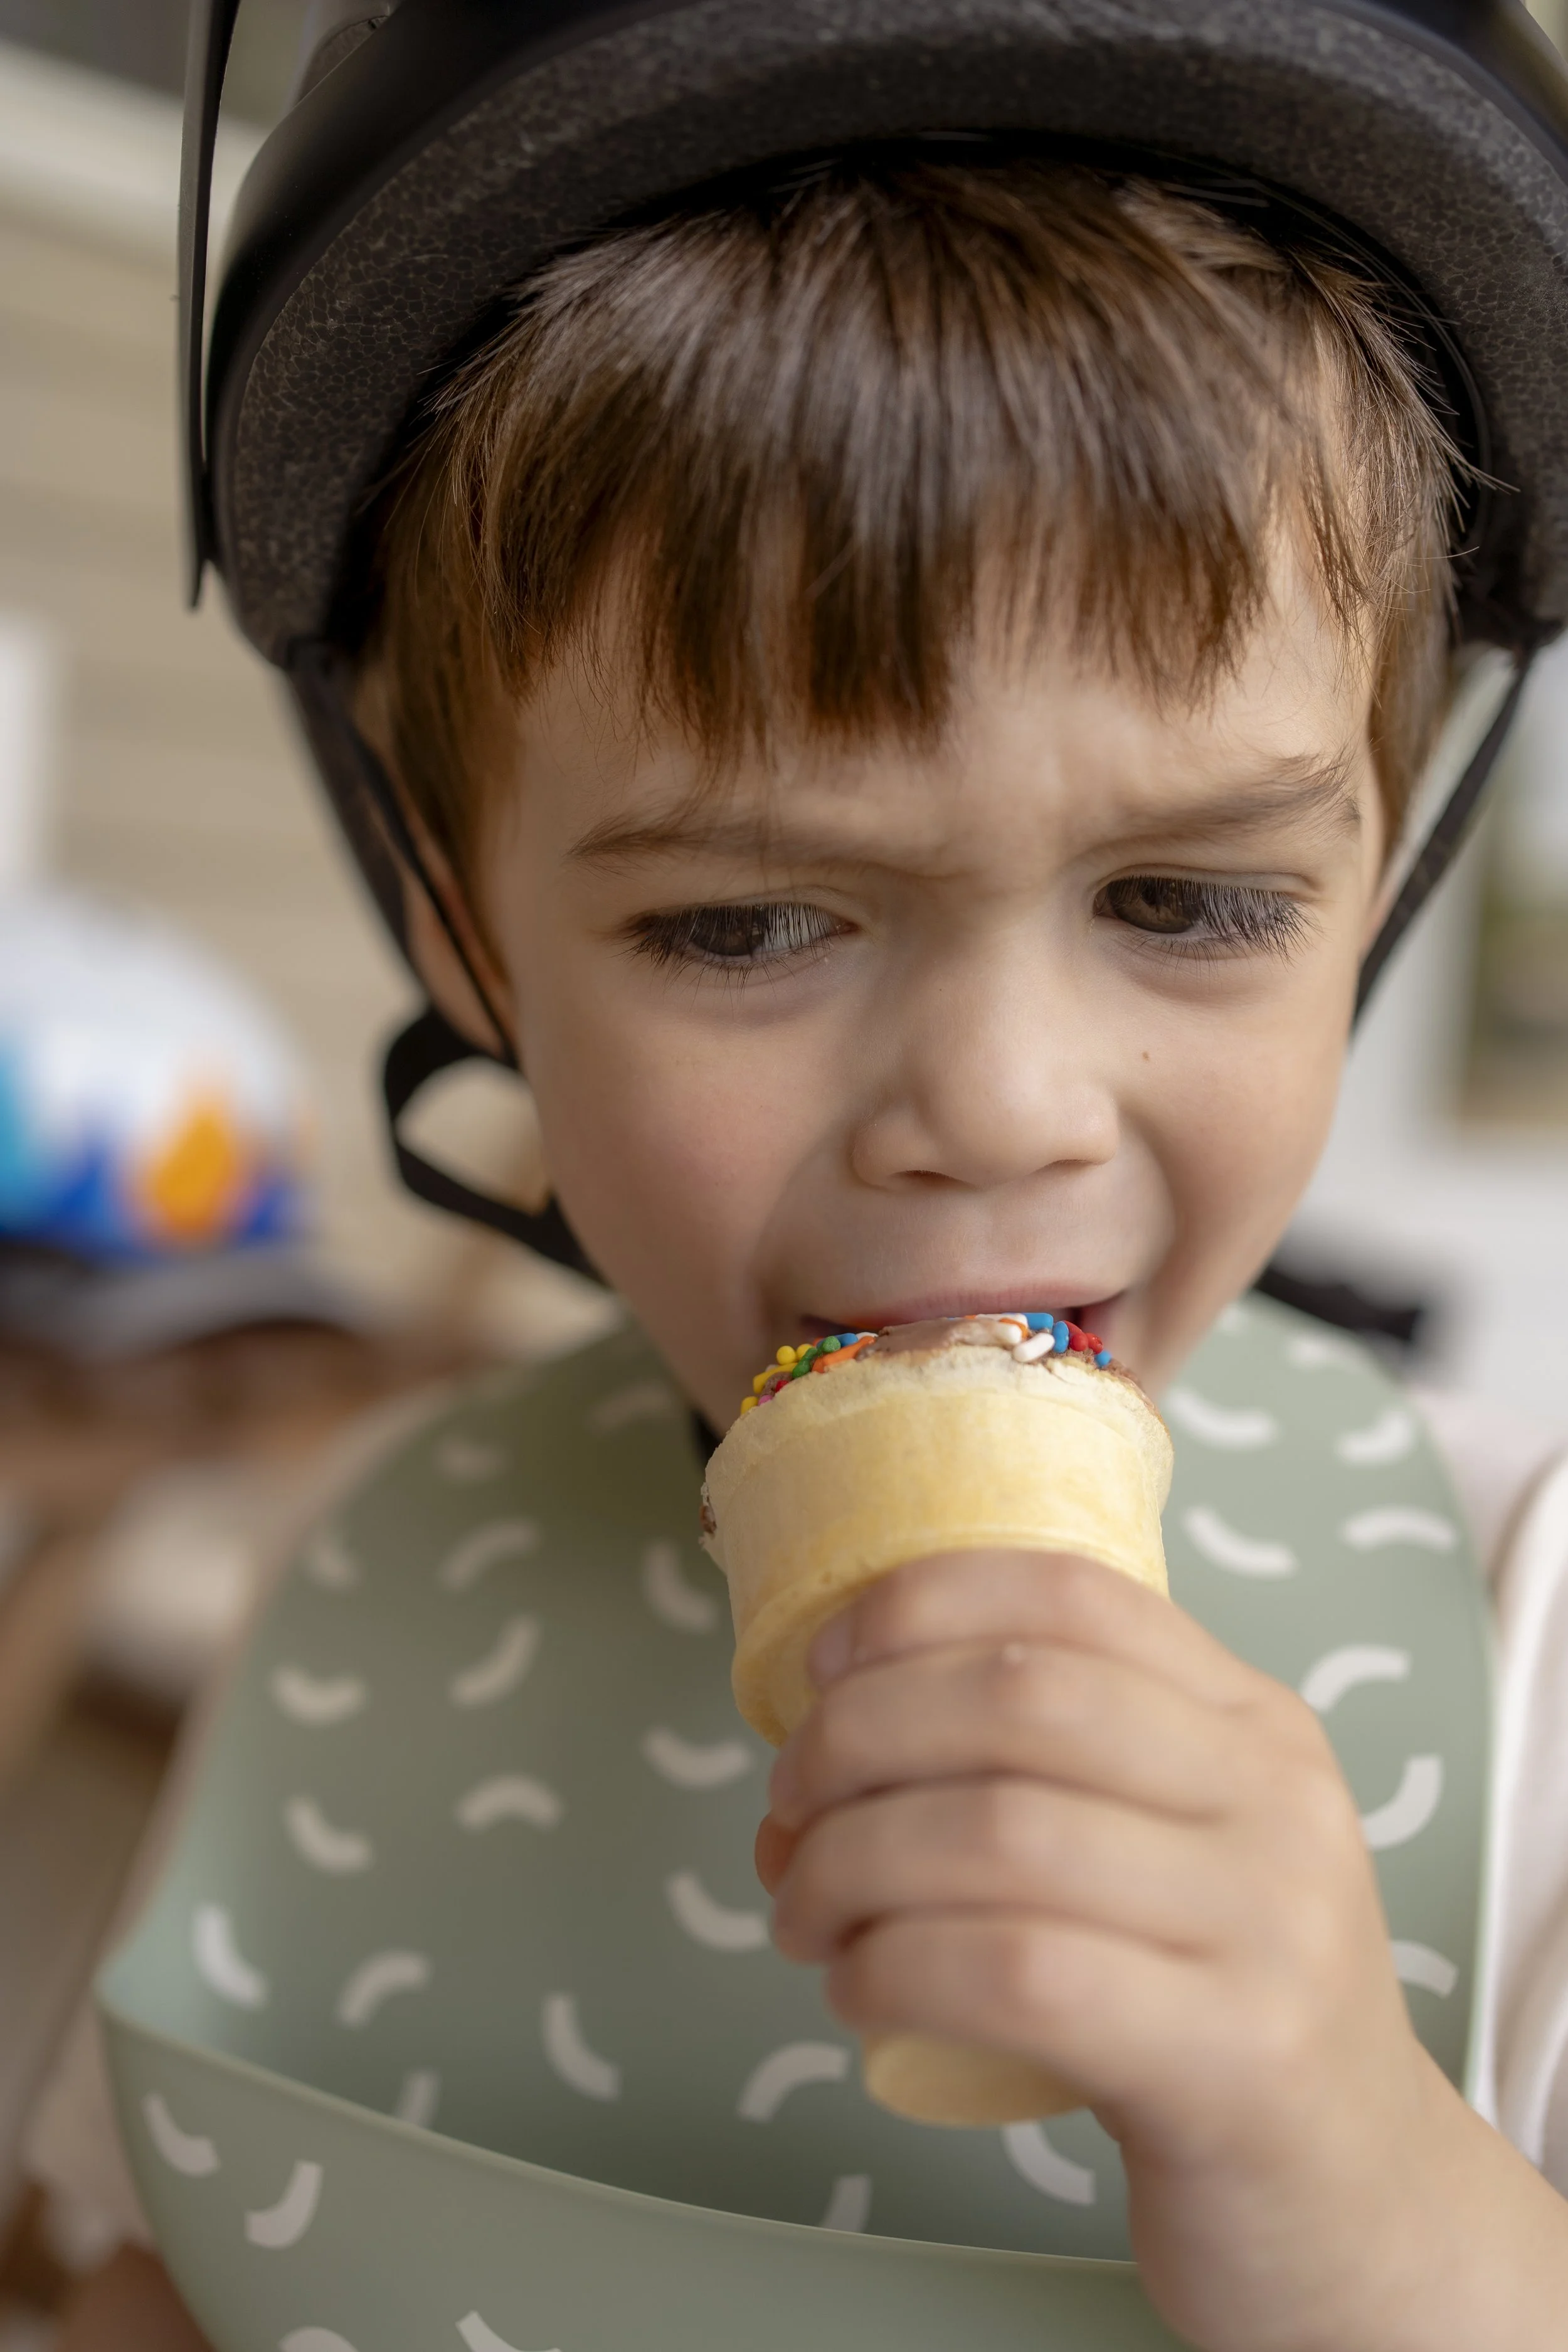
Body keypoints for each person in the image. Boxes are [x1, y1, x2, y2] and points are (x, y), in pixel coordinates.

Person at [43, 3, 1568, 2344]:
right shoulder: (348, 1578)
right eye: (745, 921)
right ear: (460, 928)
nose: (999, 1105)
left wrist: (1348, 2155)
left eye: (1187, 900)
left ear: (1375, 883)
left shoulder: (1521, 1626)